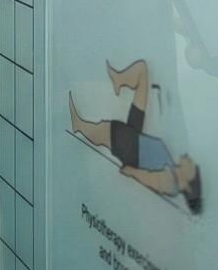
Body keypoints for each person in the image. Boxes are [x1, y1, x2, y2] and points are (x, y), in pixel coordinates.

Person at [69, 59, 202, 213]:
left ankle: (79, 125)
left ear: (188, 185)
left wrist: (132, 172)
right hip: (137, 138)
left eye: (192, 168)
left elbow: (150, 180)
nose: (191, 161)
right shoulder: (173, 173)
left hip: (133, 150)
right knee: (142, 71)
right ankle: (119, 79)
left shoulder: (170, 182)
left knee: (107, 130)